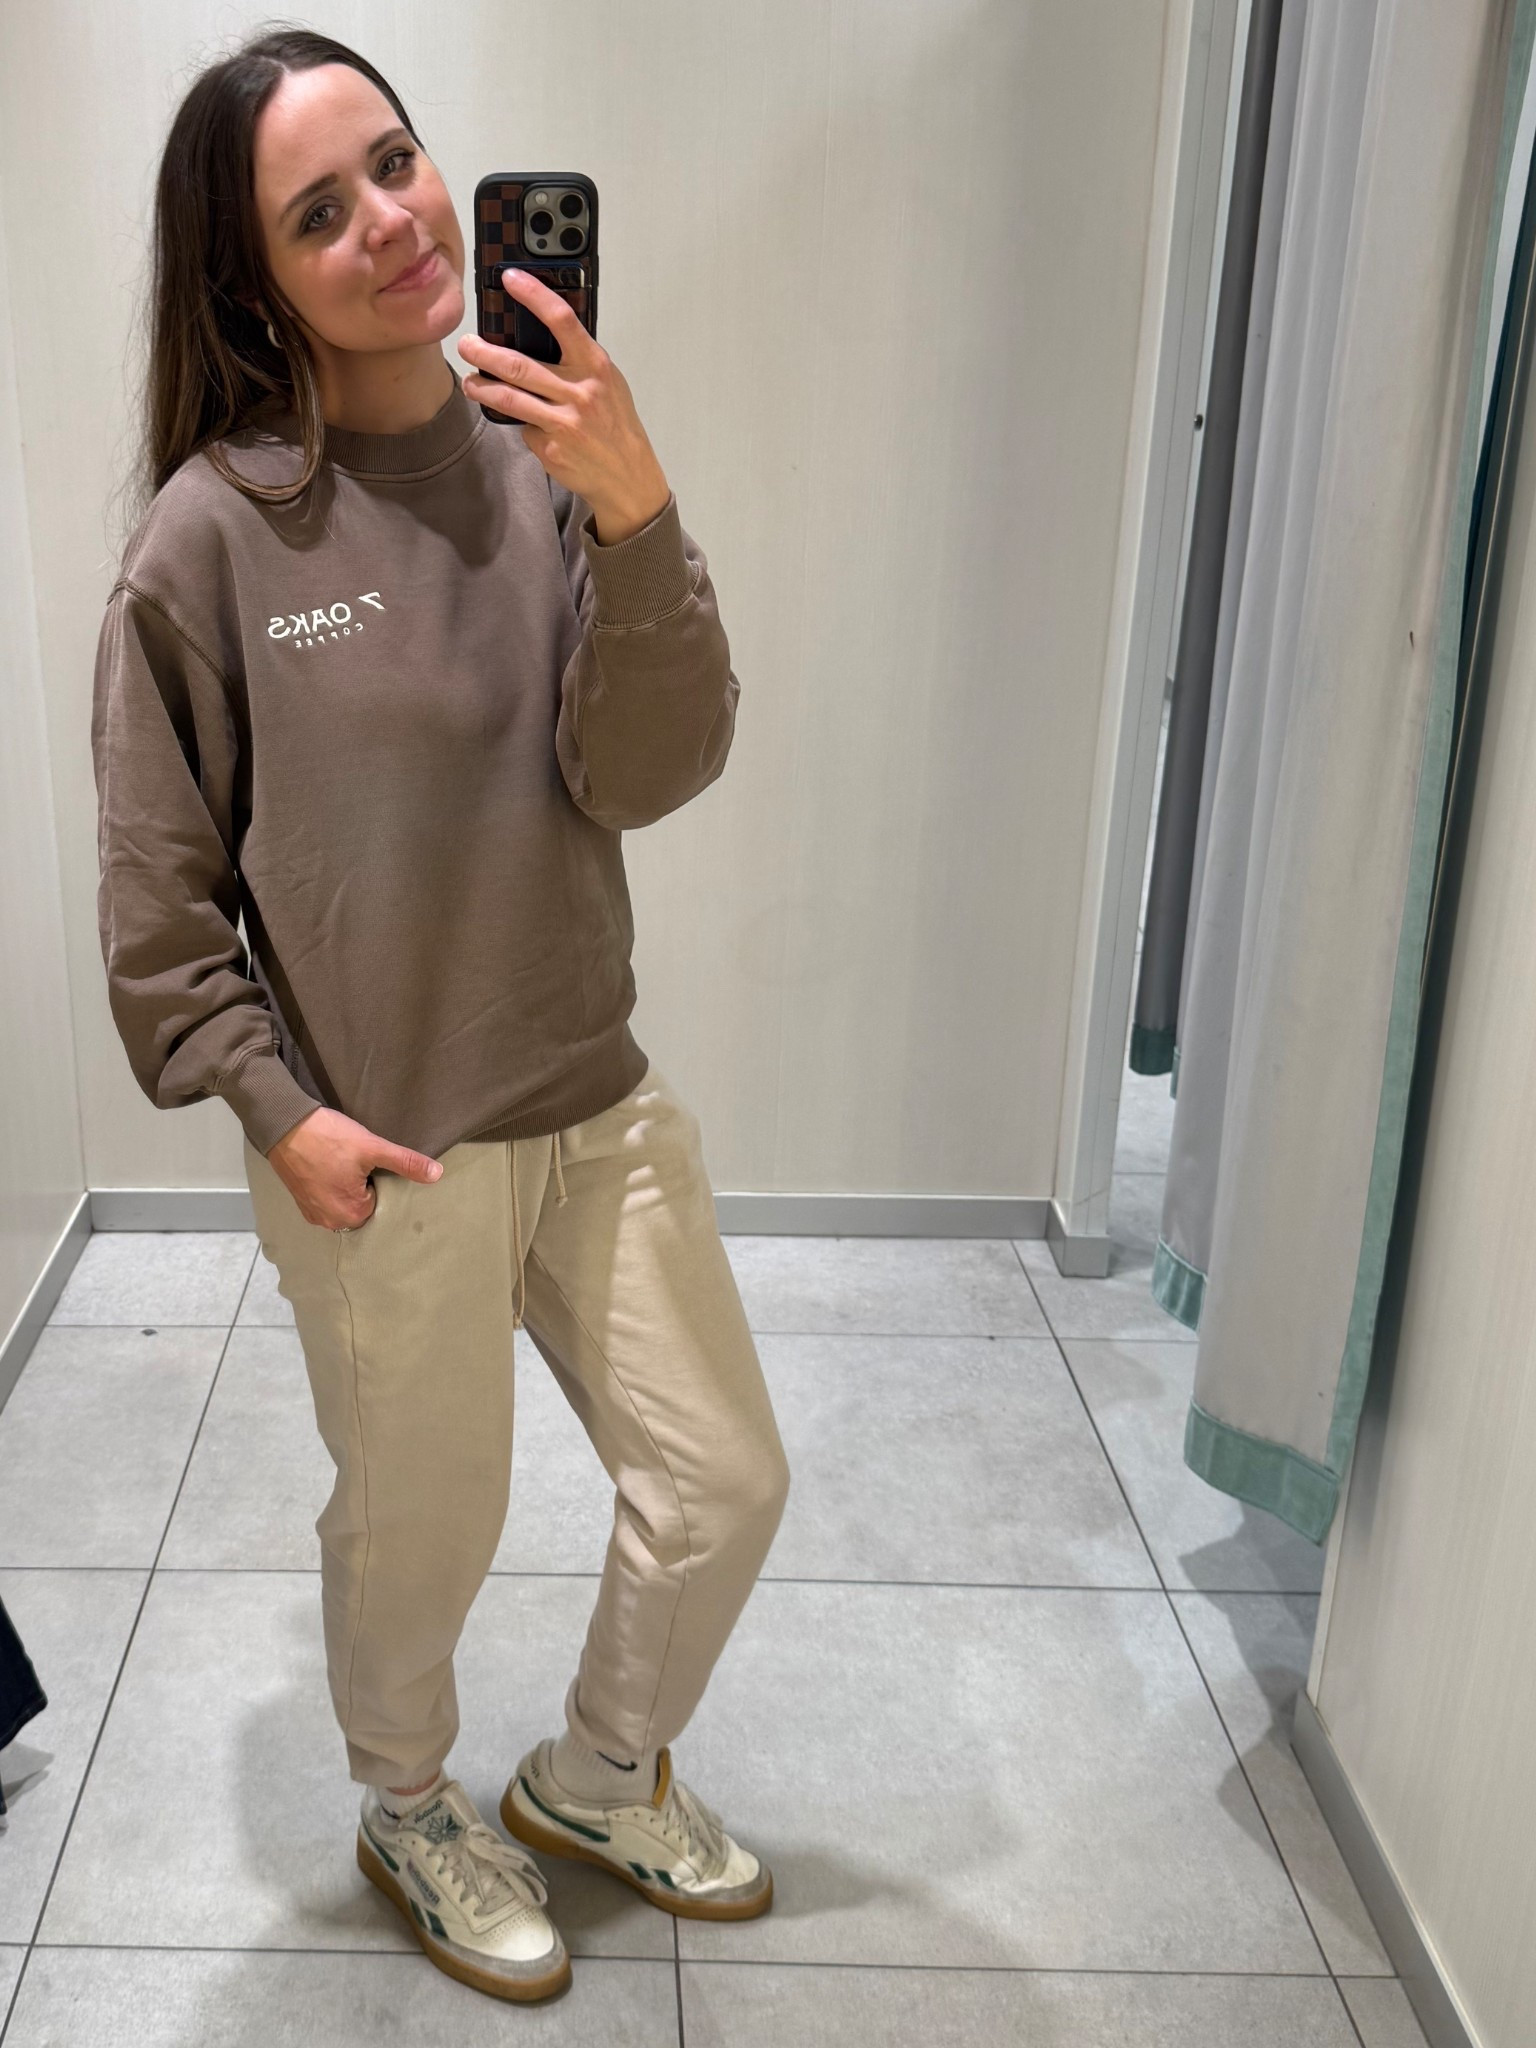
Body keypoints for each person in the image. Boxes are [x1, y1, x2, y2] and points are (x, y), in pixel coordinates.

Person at [90, 24, 791, 2007]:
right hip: (383, 1146)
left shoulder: (541, 460)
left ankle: (595, 1777)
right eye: (320, 212)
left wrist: (637, 516)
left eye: (395, 164)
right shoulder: (213, 538)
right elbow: (158, 909)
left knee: (723, 1480)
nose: (392, 222)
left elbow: (649, 767)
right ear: (254, 283)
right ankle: (410, 1802)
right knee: (427, 1528)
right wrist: (280, 1111)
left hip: (594, 1097)